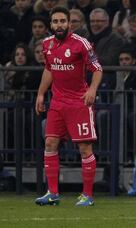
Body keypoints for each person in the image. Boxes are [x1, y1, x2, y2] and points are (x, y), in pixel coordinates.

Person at [34, 6, 103, 207]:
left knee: (84, 148)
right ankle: (53, 193)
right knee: (50, 144)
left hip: (79, 103)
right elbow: (49, 69)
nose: (59, 25)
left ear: (69, 23)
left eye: (62, 21)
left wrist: (92, 90)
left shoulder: (81, 44)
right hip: (57, 103)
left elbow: (97, 69)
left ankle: (88, 195)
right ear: (51, 25)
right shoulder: (47, 45)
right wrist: (40, 94)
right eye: (55, 22)